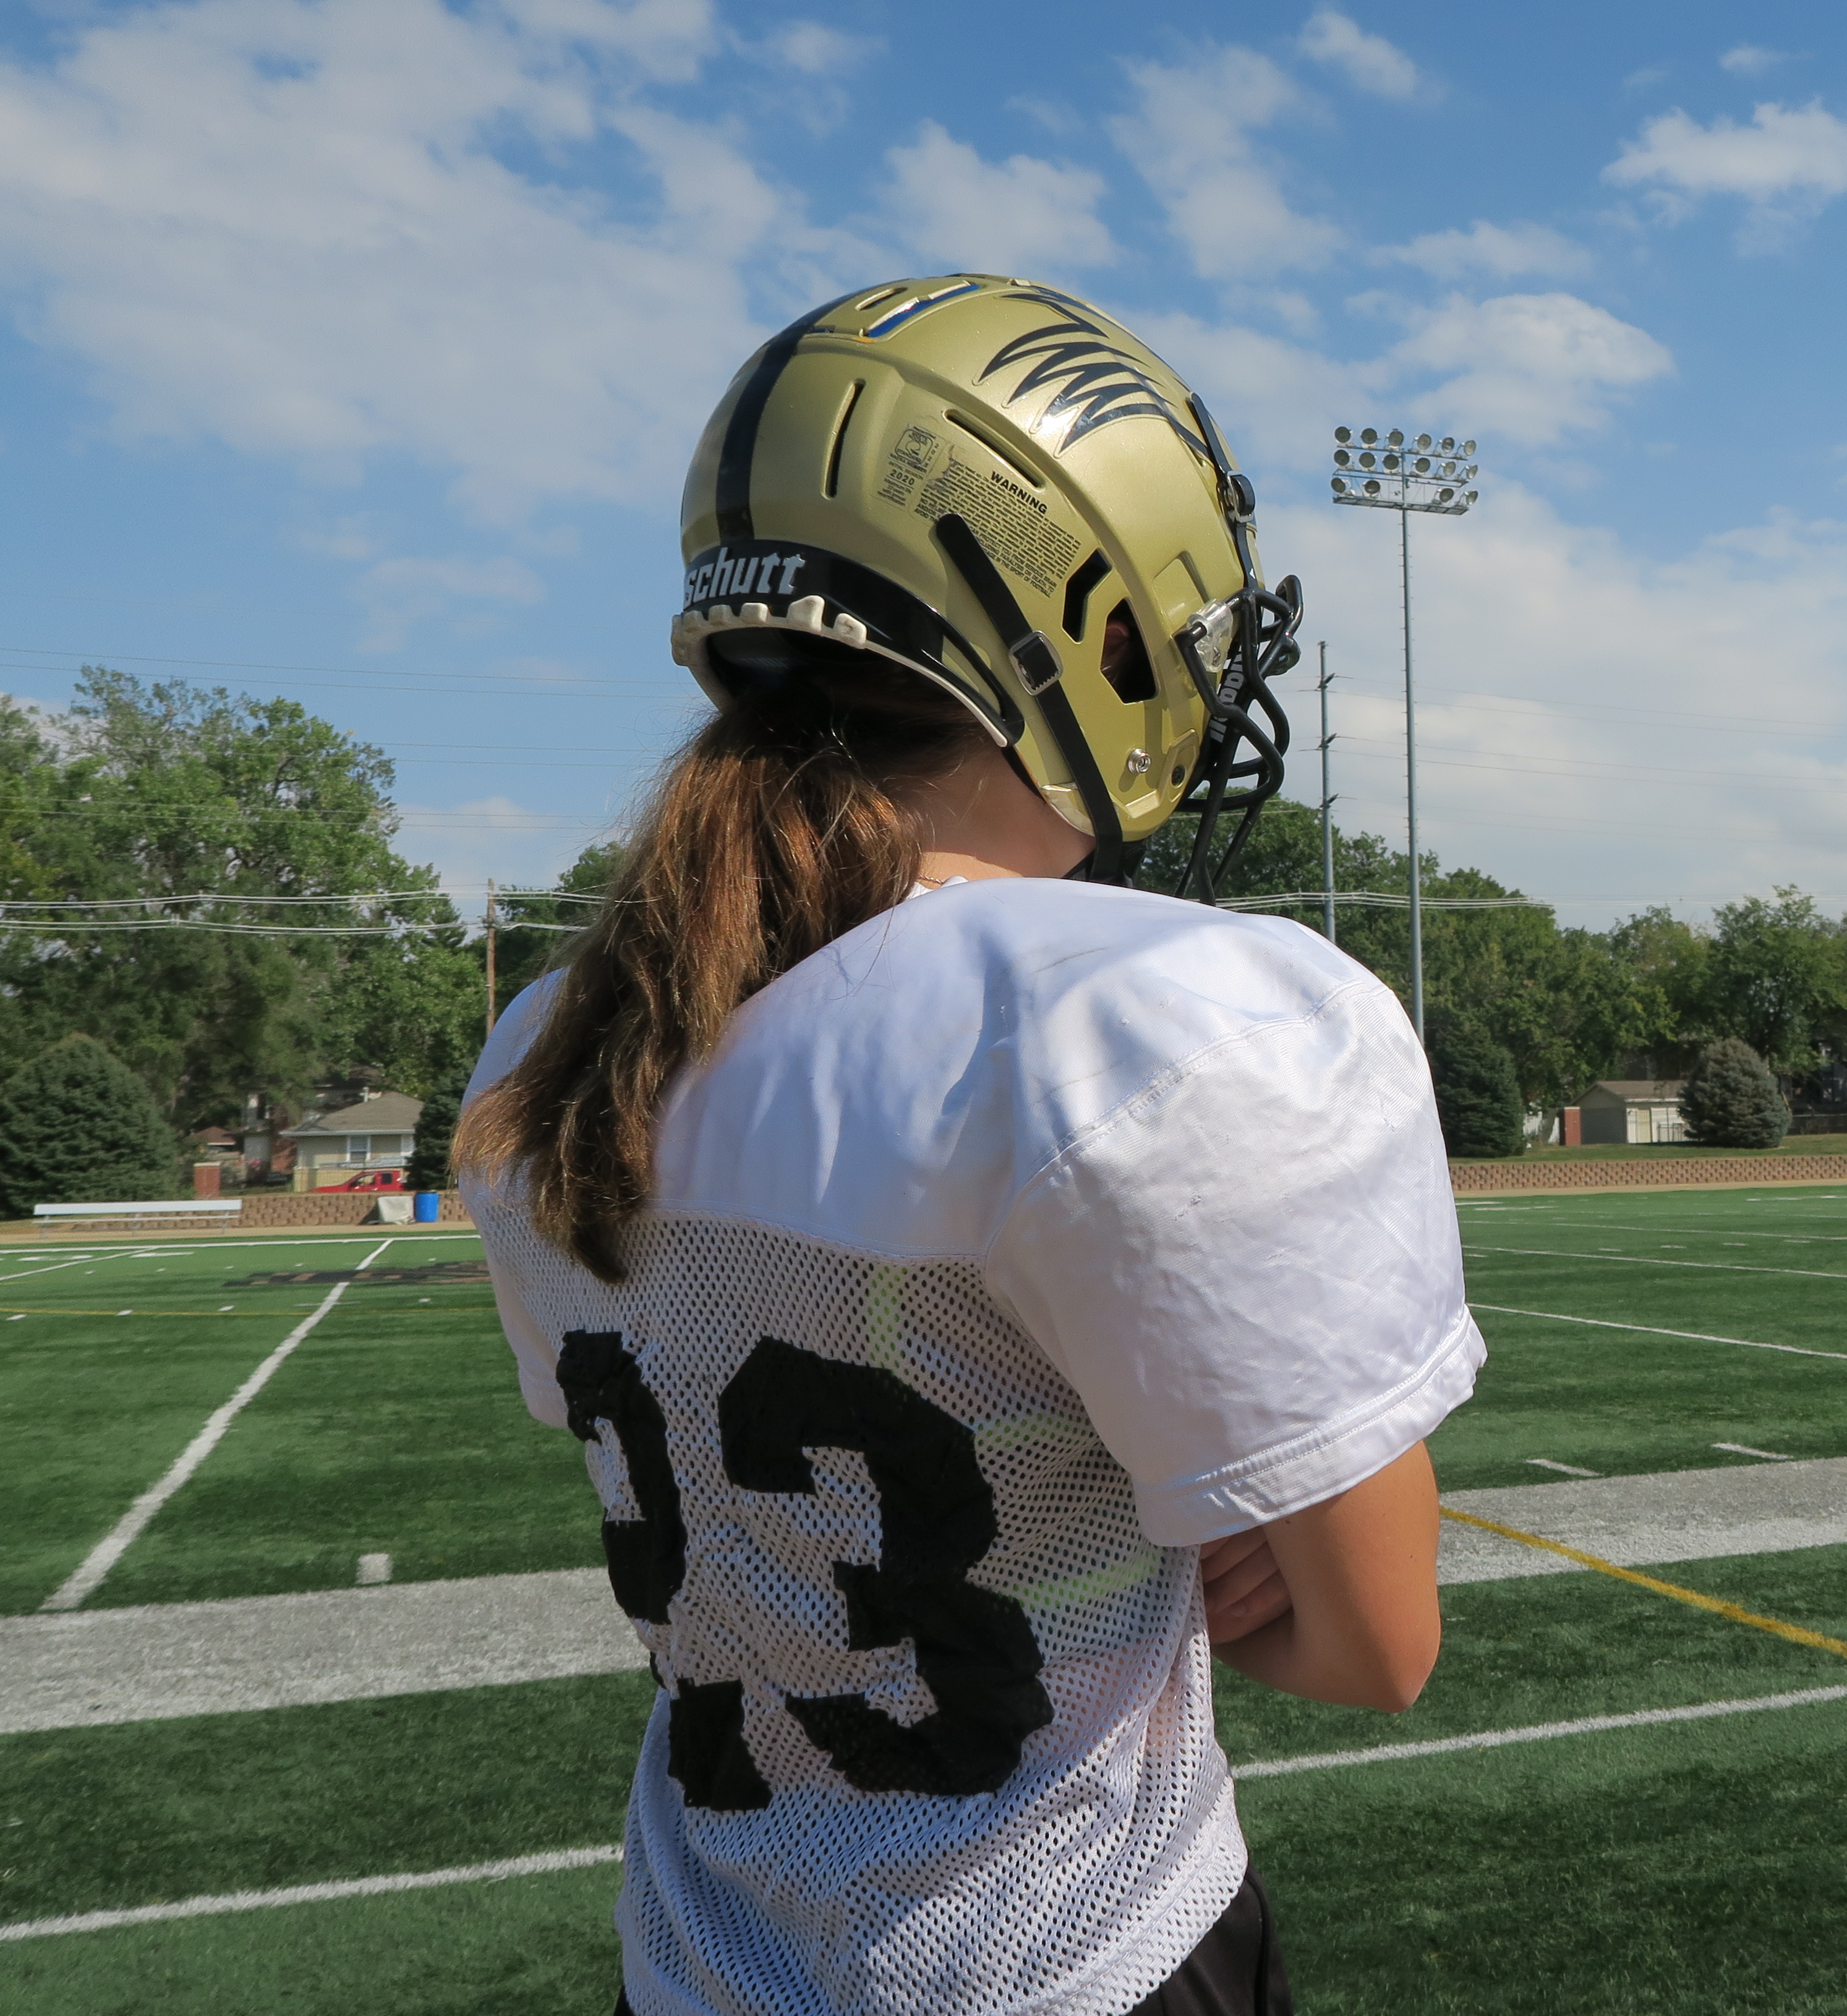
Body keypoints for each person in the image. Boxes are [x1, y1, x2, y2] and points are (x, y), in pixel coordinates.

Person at [455, 277, 1478, 2016]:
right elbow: (1376, 1647)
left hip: (700, 1964)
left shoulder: (563, 1045)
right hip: (1071, 1960)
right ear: (1085, 623)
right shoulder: (1151, 1022)